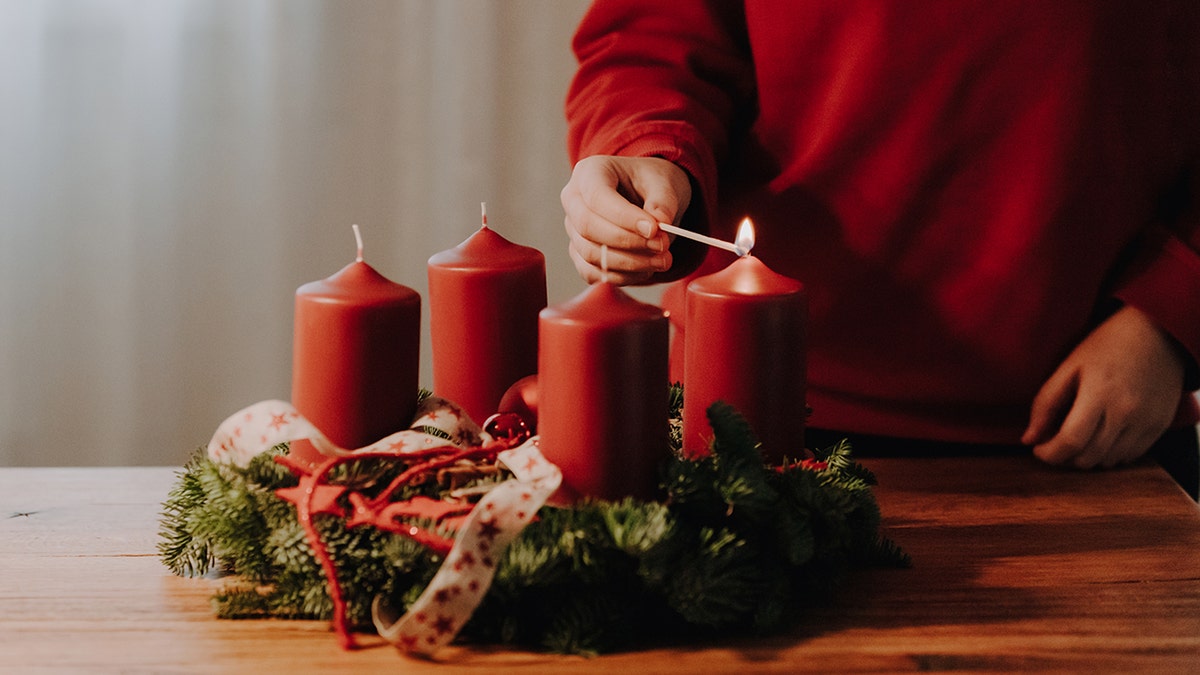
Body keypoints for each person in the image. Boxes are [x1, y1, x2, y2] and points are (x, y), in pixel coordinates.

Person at [559, 1, 1200, 497]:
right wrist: (646, 153)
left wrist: (1171, 312)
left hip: (1102, 421)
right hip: (751, 414)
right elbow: (654, 39)